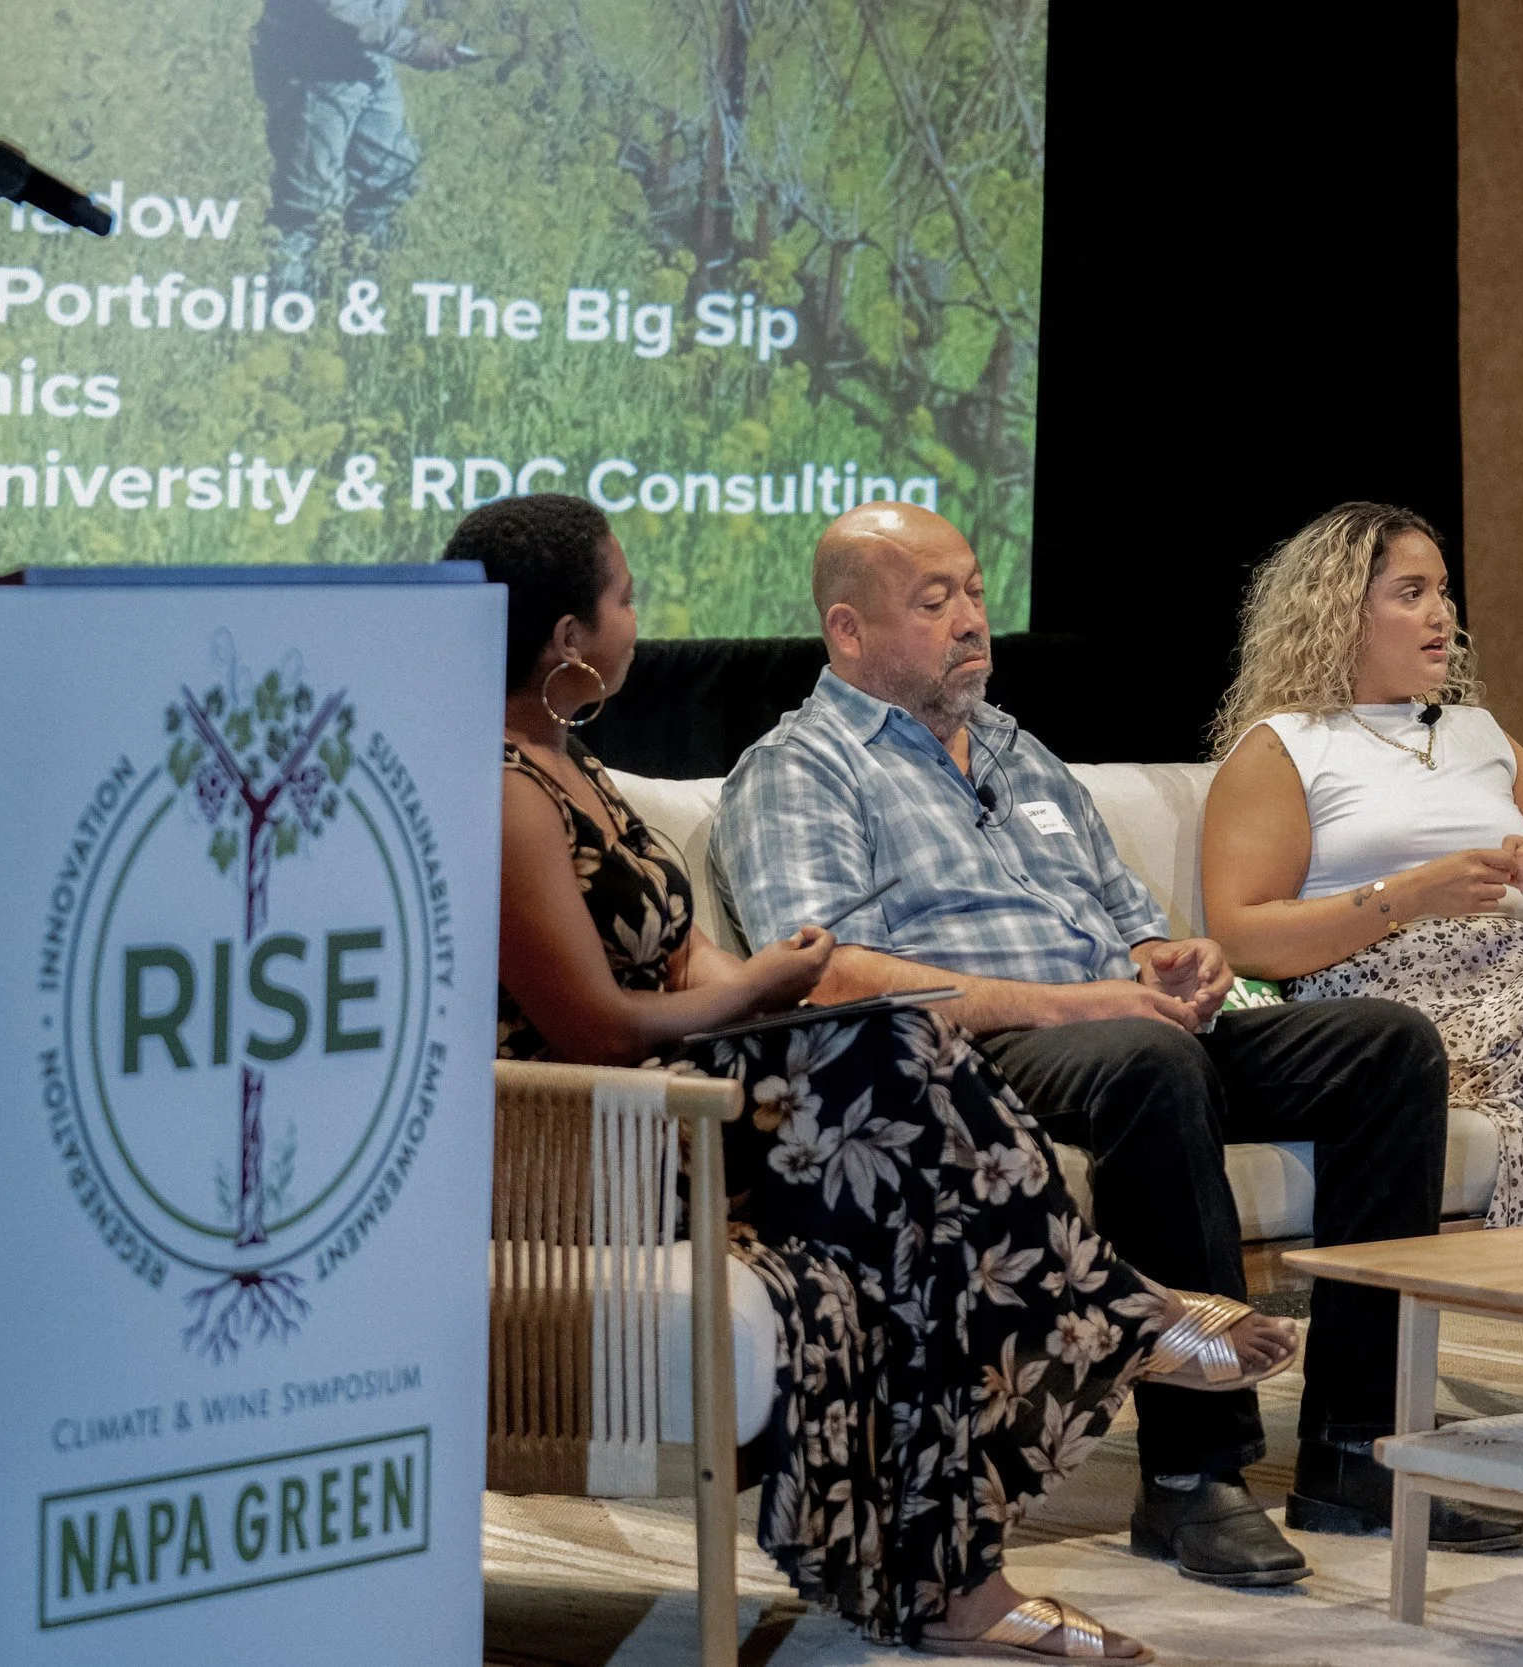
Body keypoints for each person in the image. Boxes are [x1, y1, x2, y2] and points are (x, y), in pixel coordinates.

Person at [449, 495, 1302, 1660]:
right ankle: (1107, 1310)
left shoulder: (575, 766)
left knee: (898, 1062)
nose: (637, 621)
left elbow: (689, 958)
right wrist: (765, 988)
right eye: (625, 598)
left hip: (683, 1102)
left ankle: (969, 1568)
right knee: (886, 1057)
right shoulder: (499, 789)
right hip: (592, 1139)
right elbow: (596, 1027)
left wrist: (761, 978)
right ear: (564, 639)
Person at [711, 502, 1523, 1590]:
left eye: (973, 590)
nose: (971, 620)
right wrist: (1068, 1004)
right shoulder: (803, 765)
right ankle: (1193, 1473)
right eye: (935, 602)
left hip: (1117, 1030)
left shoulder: (1017, 749)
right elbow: (822, 974)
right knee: (1145, 1061)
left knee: (1384, 1045)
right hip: (965, 1058)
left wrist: (1176, 958)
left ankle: (1356, 1446)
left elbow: (1129, 916)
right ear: (848, 632)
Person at [1201, 502, 1523, 1229]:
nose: (1440, 614)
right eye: (1410, 594)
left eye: (1442, 591)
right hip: (1389, 1016)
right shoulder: (1284, 745)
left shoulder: (1478, 732)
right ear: (1340, 613)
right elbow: (1238, 935)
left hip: (1517, 988)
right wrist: (1410, 894)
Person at [250, 0, 458, 292]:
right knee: (309, 209)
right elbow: (337, 8)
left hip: (369, 61)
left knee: (391, 183)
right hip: (313, 63)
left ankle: (353, 299)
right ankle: (286, 315)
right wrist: (408, 45)